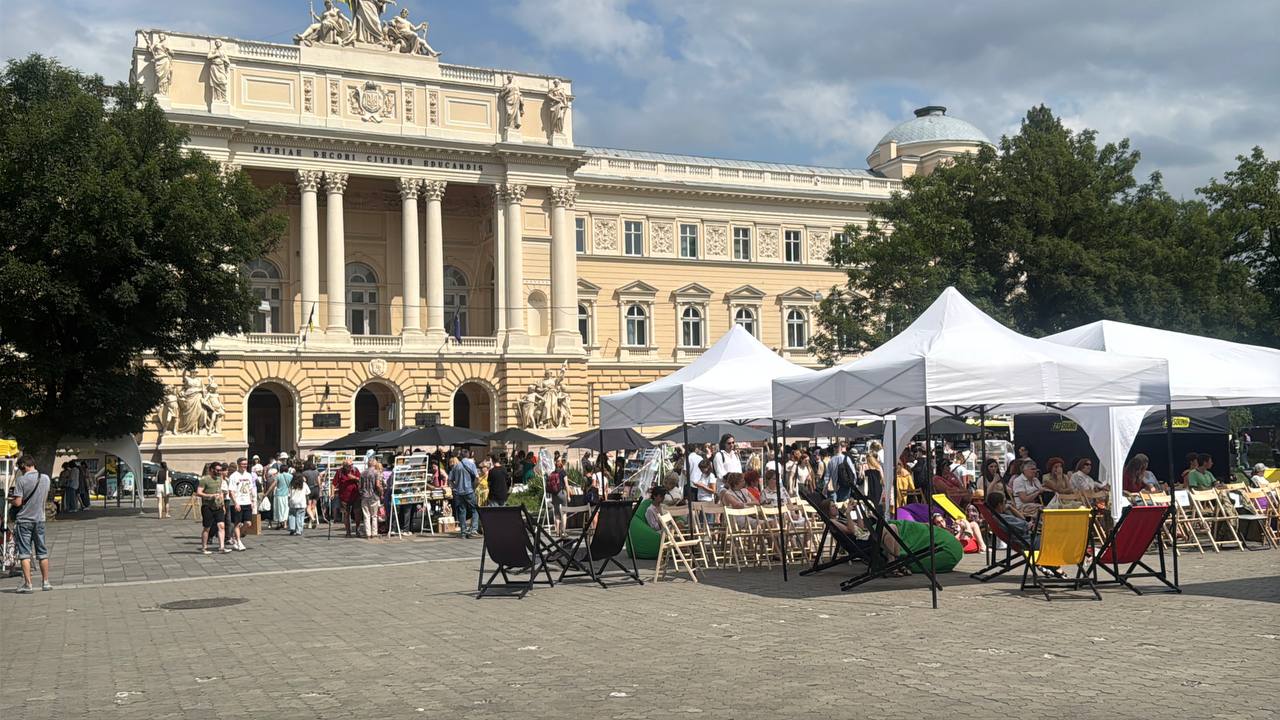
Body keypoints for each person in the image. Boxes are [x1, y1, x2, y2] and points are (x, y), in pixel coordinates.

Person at [8, 456, 52, 592]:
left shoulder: (21, 480)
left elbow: (18, 502)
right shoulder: (45, 478)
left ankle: (28, 584)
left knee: (24, 553)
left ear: (23, 466)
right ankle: (46, 582)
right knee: (42, 552)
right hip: (39, 519)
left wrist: (10, 500)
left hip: (24, 520)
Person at [197, 462, 230, 554]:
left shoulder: (220, 479)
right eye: (218, 470)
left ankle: (222, 547)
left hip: (218, 506)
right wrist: (210, 496)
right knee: (207, 527)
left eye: (221, 470)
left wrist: (223, 505)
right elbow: (199, 492)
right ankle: (204, 547)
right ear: (212, 470)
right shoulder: (204, 479)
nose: (220, 472)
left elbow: (220, 493)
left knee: (221, 526)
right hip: (207, 506)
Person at [227, 457, 256, 551]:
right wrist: (236, 503)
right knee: (237, 523)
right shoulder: (234, 476)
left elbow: (251, 489)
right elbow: (231, 491)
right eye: (243, 464)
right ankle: (238, 541)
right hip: (237, 502)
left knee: (248, 523)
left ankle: (236, 537)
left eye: (246, 464)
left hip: (247, 502)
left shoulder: (248, 475)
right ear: (238, 465)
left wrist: (252, 501)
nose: (245, 466)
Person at [449, 452, 480, 539]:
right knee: (475, 510)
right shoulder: (471, 464)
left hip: (459, 492)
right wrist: (474, 487)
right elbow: (477, 478)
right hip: (469, 490)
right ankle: (473, 530)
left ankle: (463, 532)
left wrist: (455, 487)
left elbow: (450, 480)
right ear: (468, 456)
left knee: (462, 511)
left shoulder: (456, 466)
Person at [334, 460, 362, 537]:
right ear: (345, 466)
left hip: (355, 495)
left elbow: (361, 480)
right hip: (344, 497)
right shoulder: (339, 472)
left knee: (357, 513)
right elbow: (334, 483)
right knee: (346, 514)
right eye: (350, 465)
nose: (351, 466)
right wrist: (331, 493)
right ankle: (348, 532)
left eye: (352, 464)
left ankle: (357, 530)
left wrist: (354, 477)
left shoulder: (355, 470)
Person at [359, 460, 384, 539]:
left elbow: (359, 486)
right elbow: (377, 484)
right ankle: (374, 533)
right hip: (373, 496)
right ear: (374, 464)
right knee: (374, 515)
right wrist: (381, 492)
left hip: (364, 496)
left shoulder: (362, 473)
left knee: (366, 515)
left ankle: (368, 533)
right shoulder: (377, 473)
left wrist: (362, 493)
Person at [545, 458, 568, 536]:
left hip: (554, 494)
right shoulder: (563, 472)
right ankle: (563, 531)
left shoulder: (552, 473)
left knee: (556, 513)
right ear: (561, 464)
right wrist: (569, 496)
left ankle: (557, 531)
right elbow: (567, 485)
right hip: (561, 493)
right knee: (564, 513)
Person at [301, 460, 320, 529]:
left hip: (309, 490)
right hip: (316, 489)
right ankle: (310, 523)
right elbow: (319, 481)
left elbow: (304, 481)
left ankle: (313, 519)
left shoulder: (304, 473)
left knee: (308, 506)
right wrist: (319, 489)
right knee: (313, 506)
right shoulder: (316, 472)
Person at [273, 464, 292, 530]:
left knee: (279, 509)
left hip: (278, 495)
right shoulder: (290, 476)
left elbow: (273, 485)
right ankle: (285, 524)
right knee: (286, 509)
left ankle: (279, 523)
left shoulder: (278, 476)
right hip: (287, 495)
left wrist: (266, 493)